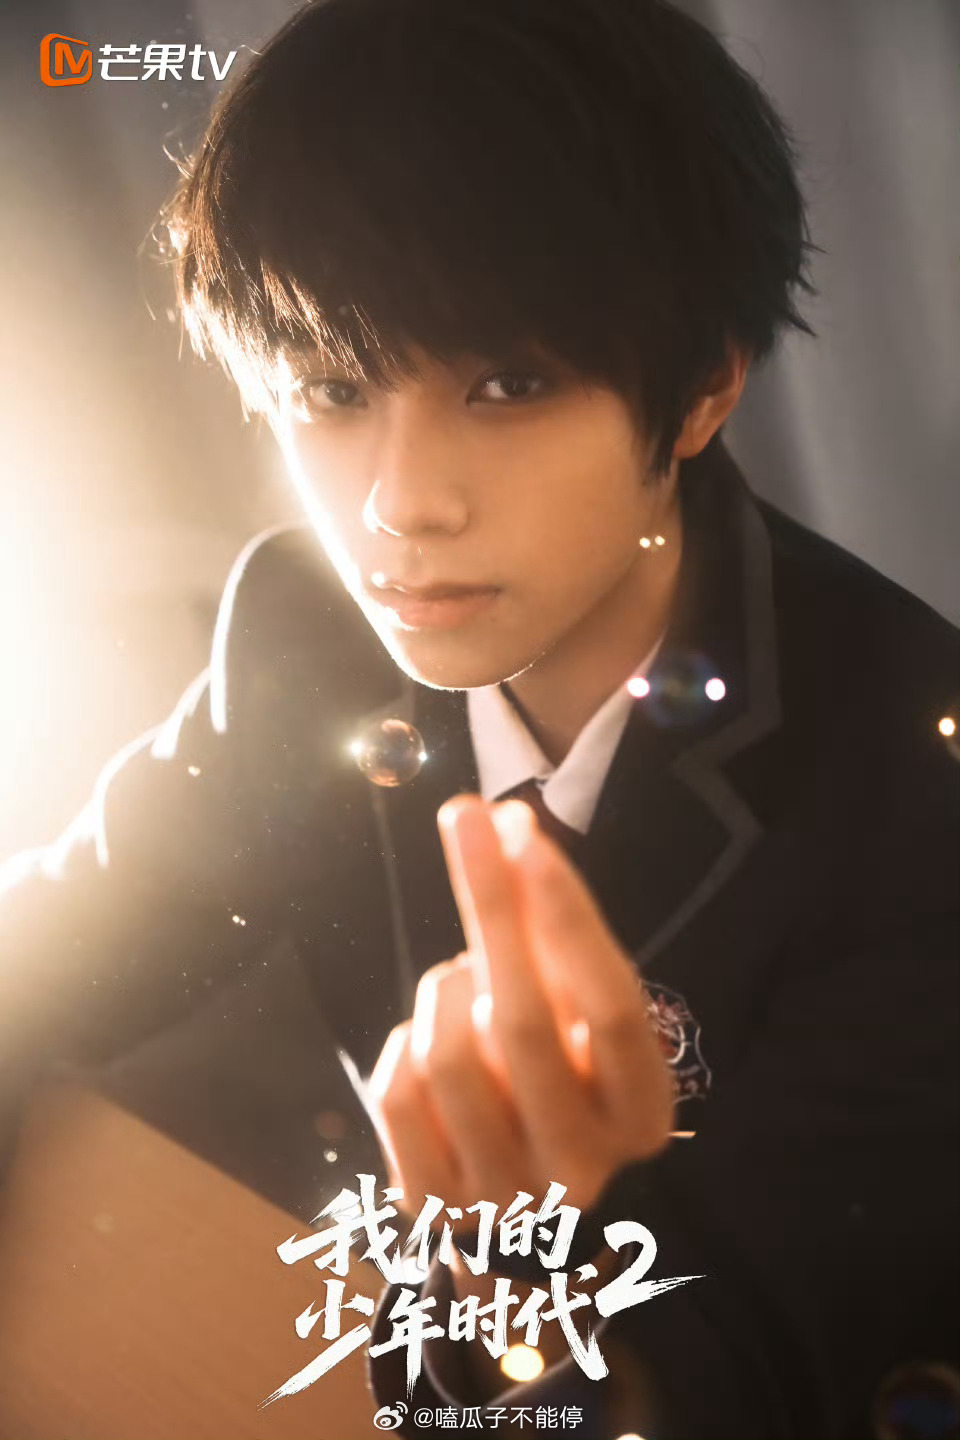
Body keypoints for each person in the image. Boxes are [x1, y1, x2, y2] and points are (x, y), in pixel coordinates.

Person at [2, 0, 957, 1436]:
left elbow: (745, 1369)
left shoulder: (908, 784)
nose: (400, 504)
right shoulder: (305, 635)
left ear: (705, 385)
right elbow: (68, 935)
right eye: (331, 389)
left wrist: (498, 1259)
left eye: (508, 383)